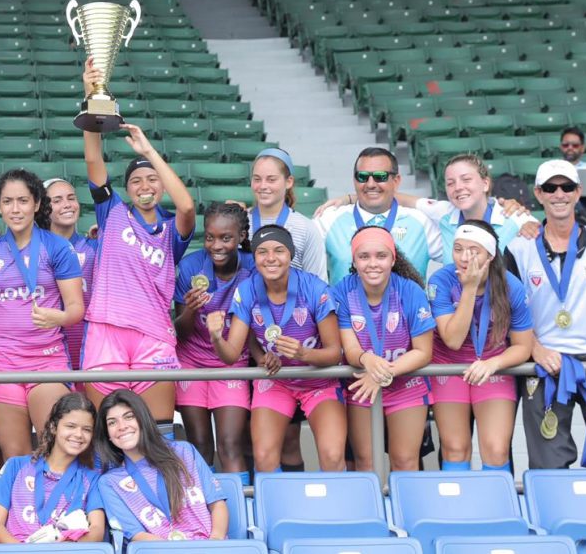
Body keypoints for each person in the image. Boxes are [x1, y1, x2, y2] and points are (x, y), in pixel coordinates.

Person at [80, 59, 196, 423]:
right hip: (107, 330)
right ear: (127, 190)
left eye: (152, 180)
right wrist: (90, 97)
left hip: (154, 336)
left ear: (161, 185)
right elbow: (93, 158)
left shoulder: (171, 231)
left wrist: (148, 154)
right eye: (136, 181)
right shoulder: (112, 212)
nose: (145, 186)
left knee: (157, 431)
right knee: (107, 431)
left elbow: (187, 206)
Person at [505, 159, 586, 469]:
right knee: (549, 467)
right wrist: (535, 349)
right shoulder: (518, 249)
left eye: (566, 187)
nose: (559, 194)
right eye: (550, 188)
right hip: (545, 364)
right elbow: (509, 313)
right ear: (538, 194)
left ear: (578, 192)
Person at [0, 169, 84, 461]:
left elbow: (76, 308)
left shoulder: (57, 247)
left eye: (22, 201)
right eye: (8, 202)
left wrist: (57, 318)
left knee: (55, 451)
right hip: (2, 364)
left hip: (47, 362)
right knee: (15, 456)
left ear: (36, 203)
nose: (15, 209)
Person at [209, 225, 346, 473]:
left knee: (333, 456)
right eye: (262, 252)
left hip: (319, 381)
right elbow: (231, 355)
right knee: (263, 458)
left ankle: (328, 499)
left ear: (290, 254)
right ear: (254, 256)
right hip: (277, 381)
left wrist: (304, 354)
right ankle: (278, 500)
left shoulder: (315, 288)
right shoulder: (247, 289)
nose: (270, 258)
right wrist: (217, 337)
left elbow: (335, 353)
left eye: (279, 250)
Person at [427, 221, 535, 471]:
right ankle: (456, 497)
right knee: (455, 448)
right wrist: (469, 288)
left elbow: (523, 347)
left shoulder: (511, 285)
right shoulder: (441, 280)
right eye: (458, 249)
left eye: (474, 251)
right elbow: (452, 340)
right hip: (448, 365)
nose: (464, 258)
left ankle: (496, 497)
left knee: (496, 450)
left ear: (490, 254)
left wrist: (493, 363)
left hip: (492, 365)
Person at [334, 226, 436, 471]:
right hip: (361, 384)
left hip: (405, 384)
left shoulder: (410, 291)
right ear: (353, 260)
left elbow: (423, 352)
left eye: (381, 256)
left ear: (393, 259)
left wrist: (380, 374)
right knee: (366, 462)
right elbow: (350, 348)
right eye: (364, 256)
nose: (373, 263)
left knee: (405, 461)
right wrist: (366, 359)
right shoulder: (342, 291)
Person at [318, 154, 539, 261]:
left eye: (466, 179)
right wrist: (351, 197)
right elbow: (399, 197)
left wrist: (531, 224)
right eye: (450, 183)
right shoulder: (445, 213)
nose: (458, 187)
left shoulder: (515, 217)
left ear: (486, 183)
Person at [173, 203, 255, 481]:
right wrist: (191, 310)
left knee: (230, 444)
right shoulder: (190, 267)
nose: (216, 245)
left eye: (225, 238)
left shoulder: (252, 268)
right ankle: (203, 504)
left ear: (241, 236)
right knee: (199, 445)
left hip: (232, 363)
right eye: (210, 237)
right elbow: (180, 332)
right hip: (191, 362)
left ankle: (242, 504)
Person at [96, 389, 228, 541]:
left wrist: (214, 543)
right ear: (108, 435)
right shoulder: (110, 482)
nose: (122, 426)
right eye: (112, 422)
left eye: (129, 417)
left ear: (143, 419)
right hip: (159, 549)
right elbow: (136, 535)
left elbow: (217, 504)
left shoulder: (184, 452)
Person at [0, 392, 106, 543]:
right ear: (53, 427)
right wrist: (23, 552)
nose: (79, 434)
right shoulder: (15, 466)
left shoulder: (92, 478)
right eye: (71, 426)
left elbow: (97, 531)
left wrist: (63, 549)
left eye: (87, 429)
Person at [316, 147, 442, 284]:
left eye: (380, 176)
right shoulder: (329, 220)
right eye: (362, 177)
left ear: (396, 181)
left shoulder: (421, 222)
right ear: (354, 180)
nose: (370, 184)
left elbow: (457, 256)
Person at [244, 148, 326, 278]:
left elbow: (317, 283)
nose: (263, 186)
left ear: (288, 182)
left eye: (271, 179)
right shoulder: (239, 222)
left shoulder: (306, 229)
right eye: (257, 179)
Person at [45, 177, 98, 370]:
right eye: (57, 200)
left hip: (90, 349)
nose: (67, 204)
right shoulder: (35, 250)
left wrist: (107, 234)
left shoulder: (94, 247)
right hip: (48, 352)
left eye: (71, 198)